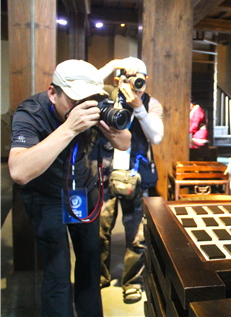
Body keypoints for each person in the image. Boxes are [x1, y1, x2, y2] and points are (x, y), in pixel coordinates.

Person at [8, 60, 132, 316]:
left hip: (81, 190)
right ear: (53, 92)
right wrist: (69, 127)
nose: (82, 106)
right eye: (75, 100)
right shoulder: (31, 111)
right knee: (57, 271)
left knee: (89, 264)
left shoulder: (93, 106)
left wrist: (110, 128)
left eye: (89, 99)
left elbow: (125, 142)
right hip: (45, 196)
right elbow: (18, 171)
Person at [92, 57, 164, 304]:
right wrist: (112, 64)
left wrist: (139, 107)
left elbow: (156, 136)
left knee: (137, 235)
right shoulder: (103, 95)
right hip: (103, 173)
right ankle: (99, 276)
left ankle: (132, 282)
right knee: (100, 231)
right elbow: (88, 81)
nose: (133, 83)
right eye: (128, 77)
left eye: (138, 78)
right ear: (117, 78)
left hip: (137, 177)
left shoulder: (150, 103)